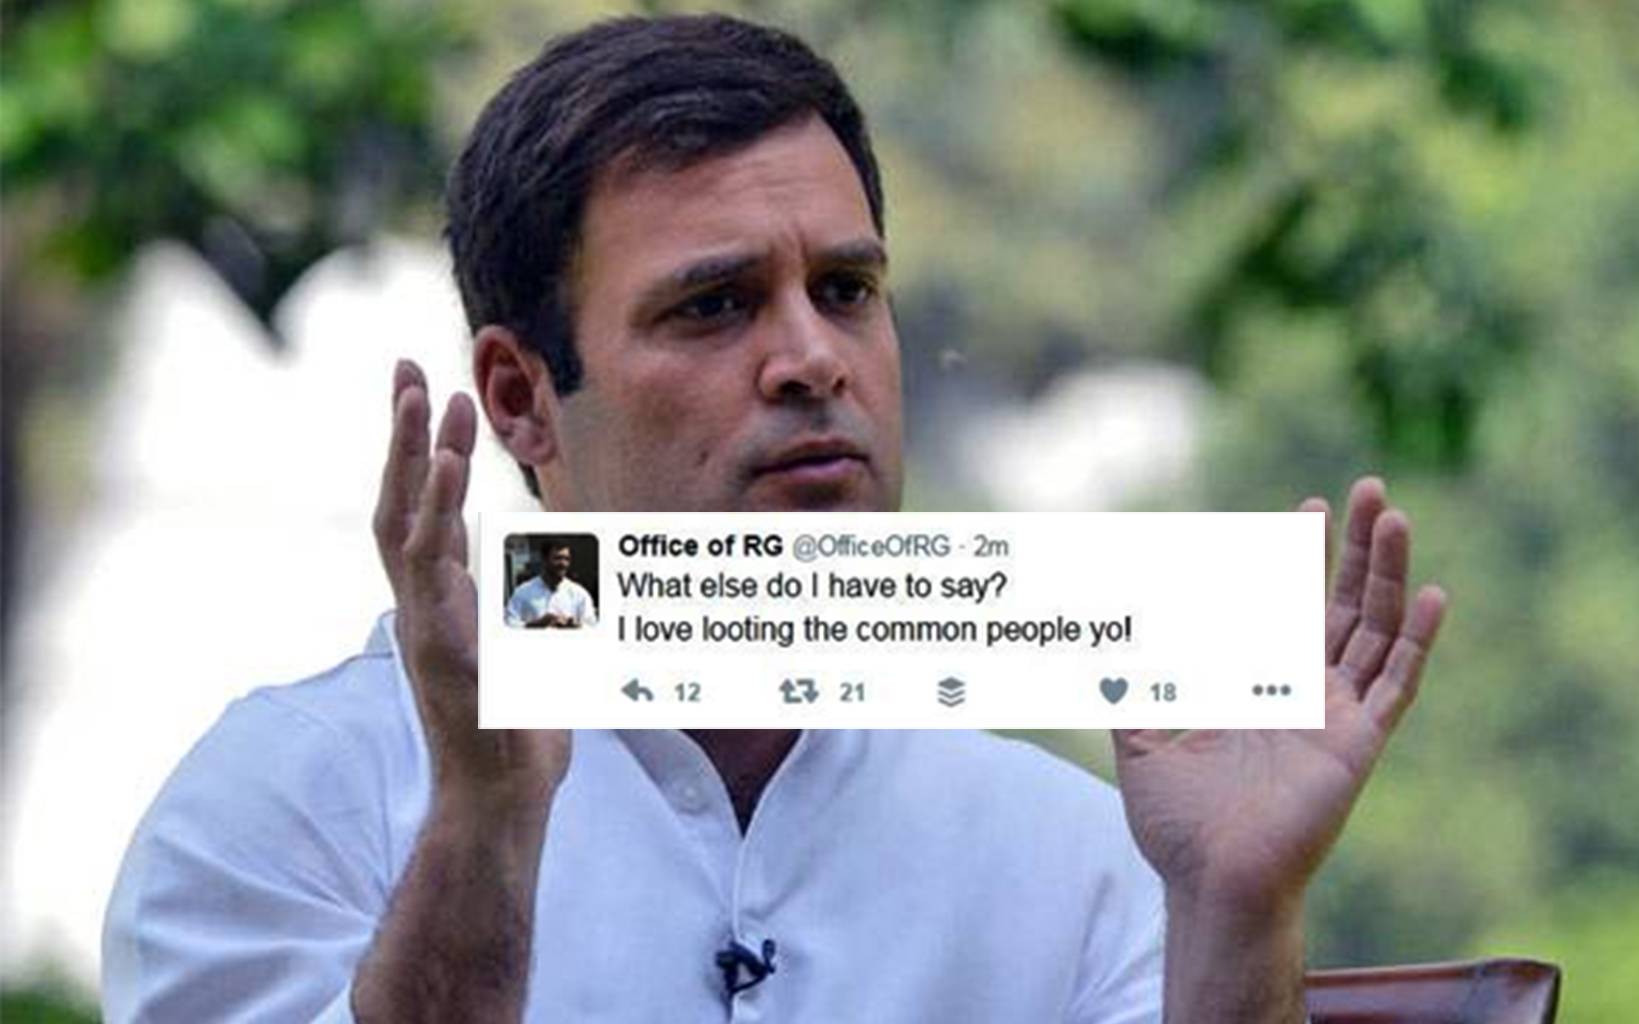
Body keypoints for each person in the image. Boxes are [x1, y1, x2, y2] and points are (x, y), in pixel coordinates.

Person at [102, 14, 1448, 1023]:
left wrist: (1234, 910)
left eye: (847, 291)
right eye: (714, 304)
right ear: (520, 398)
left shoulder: (1083, 853)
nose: (812, 359)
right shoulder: (290, 802)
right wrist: (486, 826)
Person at [505, 540, 596, 628]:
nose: (563, 563)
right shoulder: (523, 592)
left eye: (567, 559)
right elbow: (509, 624)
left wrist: (575, 626)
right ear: (544, 560)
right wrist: (535, 625)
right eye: (557, 558)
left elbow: (591, 625)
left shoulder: (579, 594)